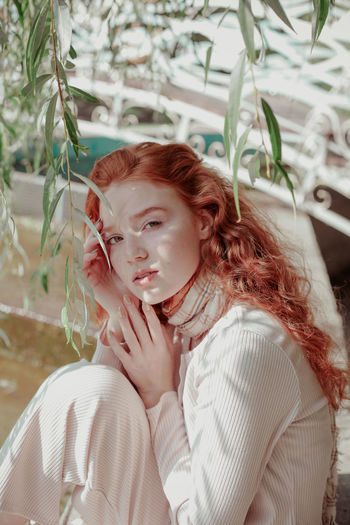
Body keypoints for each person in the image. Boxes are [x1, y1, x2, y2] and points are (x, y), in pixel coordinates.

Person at [0, 142, 348, 525]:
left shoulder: (247, 344)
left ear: (203, 219)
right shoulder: (174, 323)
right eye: (114, 238)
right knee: (85, 386)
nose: (132, 253)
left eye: (151, 224)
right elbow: (98, 417)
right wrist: (119, 308)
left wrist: (159, 396)